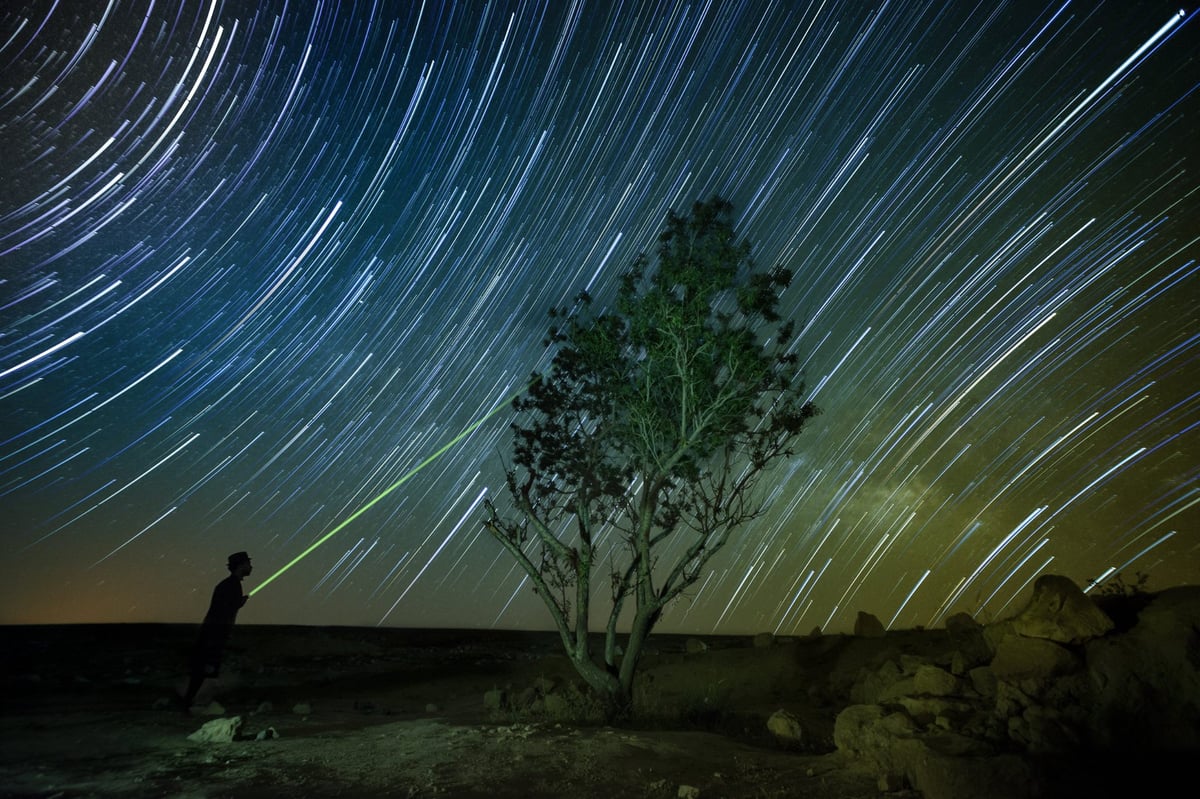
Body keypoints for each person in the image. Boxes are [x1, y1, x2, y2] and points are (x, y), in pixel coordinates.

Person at [180, 551, 253, 711]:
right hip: (214, 634)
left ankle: (189, 701)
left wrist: (237, 604)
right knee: (203, 669)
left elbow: (224, 607)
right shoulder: (231, 585)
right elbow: (223, 610)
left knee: (204, 668)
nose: (251, 566)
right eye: (248, 563)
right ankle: (188, 703)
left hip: (213, 632)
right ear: (241, 565)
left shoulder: (229, 584)